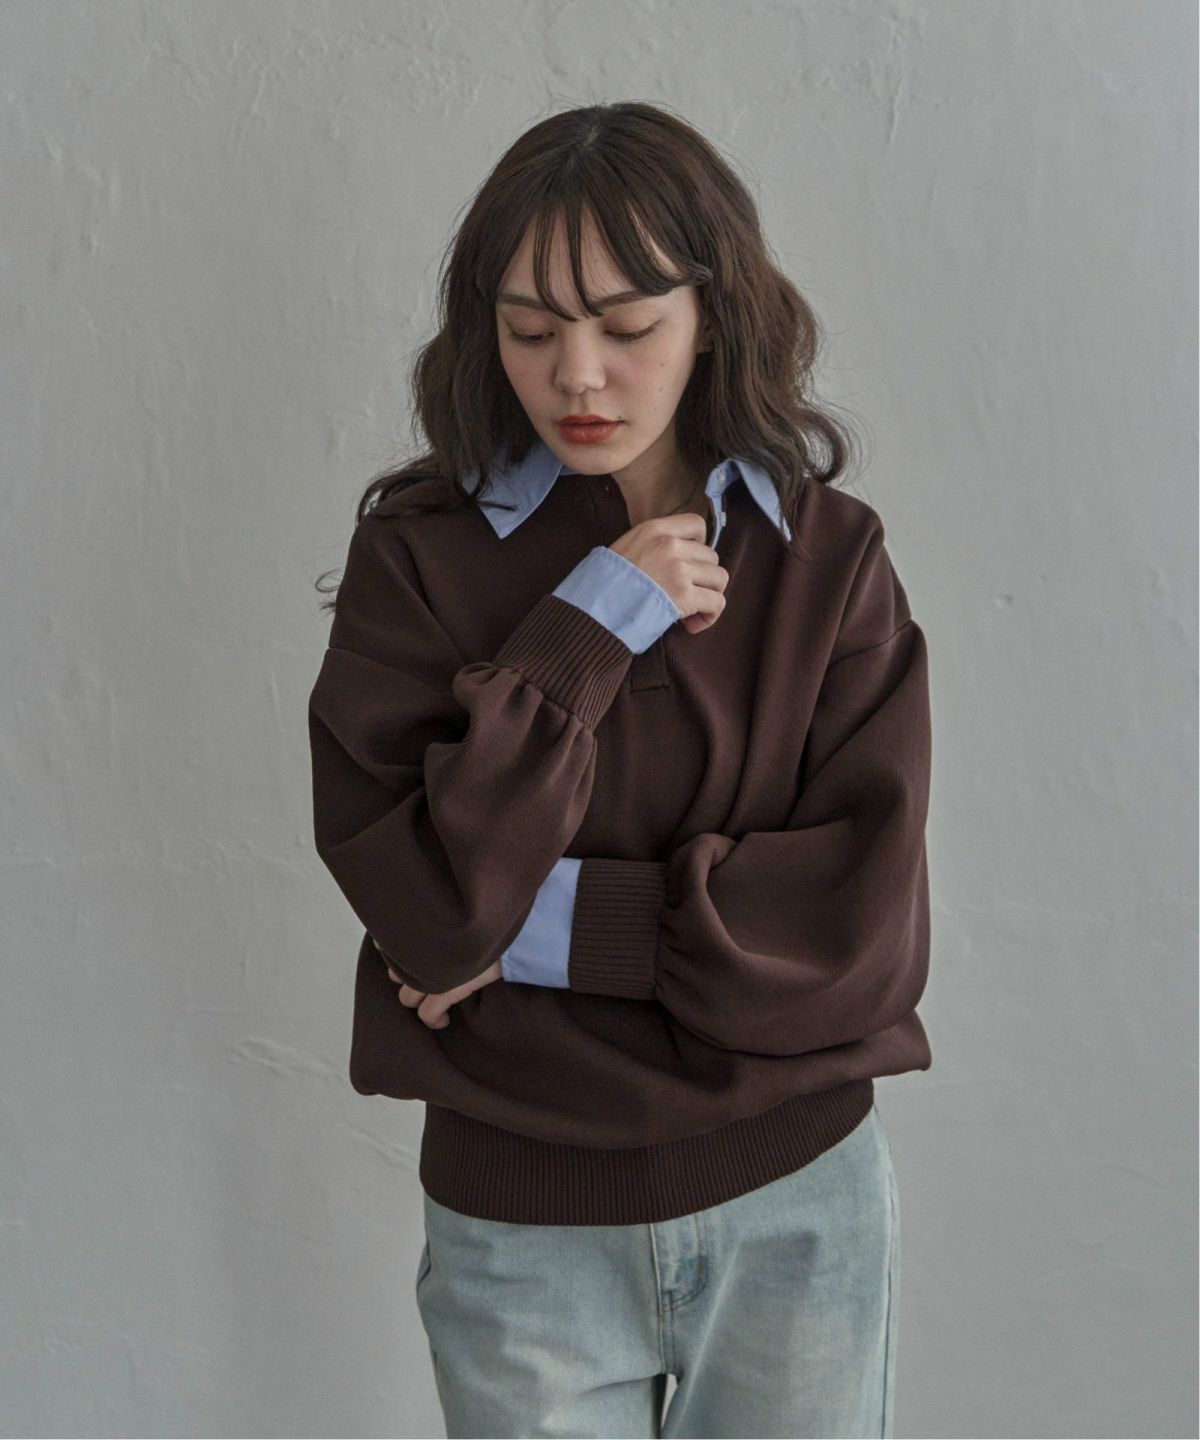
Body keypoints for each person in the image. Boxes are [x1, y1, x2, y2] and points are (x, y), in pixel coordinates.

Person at [308, 100, 932, 1440]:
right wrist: (587, 627)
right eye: (530, 330)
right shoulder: (416, 561)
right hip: (520, 1230)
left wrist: (532, 931)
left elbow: (857, 933)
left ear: (714, 315)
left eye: (627, 326)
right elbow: (431, 912)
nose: (577, 376)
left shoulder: (829, 560)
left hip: (798, 1209)